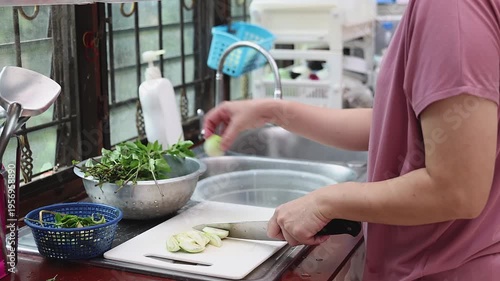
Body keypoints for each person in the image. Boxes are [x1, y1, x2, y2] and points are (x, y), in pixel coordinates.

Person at [203, 0, 500, 280]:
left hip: (449, 269)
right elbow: (396, 125)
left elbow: (457, 189)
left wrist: (326, 202)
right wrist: (274, 112)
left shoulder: (451, 9)